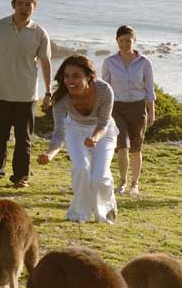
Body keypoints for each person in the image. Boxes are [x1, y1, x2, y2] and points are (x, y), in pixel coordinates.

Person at [0, 0, 52, 188]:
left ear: (34, 7)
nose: (24, 7)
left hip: (27, 96)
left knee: (24, 140)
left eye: (28, 4)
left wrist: (48, 92)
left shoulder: (40, 33)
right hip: (0, 93)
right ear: (13, 5)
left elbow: (46, 63)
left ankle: (21, 177)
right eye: (20, 3)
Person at [37, 55, 119, 223]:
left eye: (76, 76)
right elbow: (59, 133)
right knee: (81, 168)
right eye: (66, 76)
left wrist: (94, 138)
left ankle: (106, 213)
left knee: (99, 176)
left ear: (89, 77)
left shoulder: (104, 90)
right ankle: (79, 214)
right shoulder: (61, 99)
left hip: (102, 131)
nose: (70, 81)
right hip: (75, 129)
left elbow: (103, 123)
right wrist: (50, 155)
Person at [101, 25, 156, 196]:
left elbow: (149, 89)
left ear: (134, 41)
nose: (125, 44)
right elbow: (104, 88)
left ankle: (135, 183)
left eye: (128, 41)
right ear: (117, 41)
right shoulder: (109, 62)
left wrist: (151, 112)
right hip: (116, 108)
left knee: (136, 148)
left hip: (137, 107)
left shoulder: (144, 62)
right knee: (122, 146)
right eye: (121, 41)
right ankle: (123, 181)